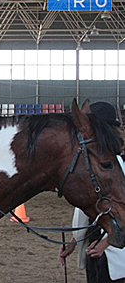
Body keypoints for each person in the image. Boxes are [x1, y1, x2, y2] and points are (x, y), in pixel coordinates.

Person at [59, 102, 125, 283]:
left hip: (115, 253)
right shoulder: (91, 165)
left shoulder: (118, 165)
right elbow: (86, 207)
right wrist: (74, 240)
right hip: (94, 248)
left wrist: (106, 243)